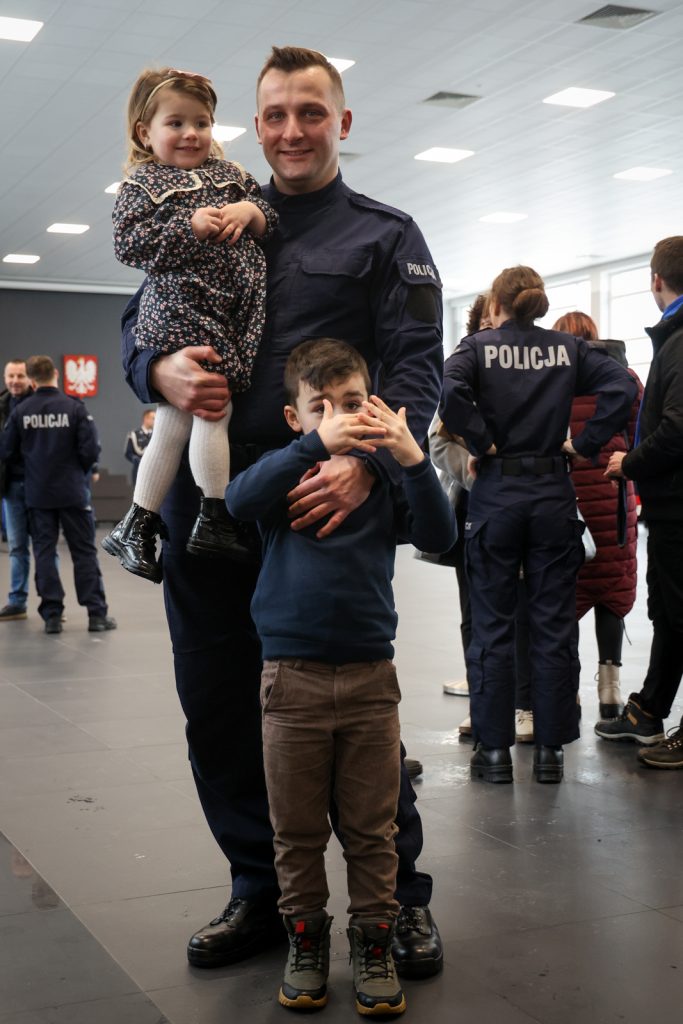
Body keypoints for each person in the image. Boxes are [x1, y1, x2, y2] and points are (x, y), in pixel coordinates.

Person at [120, 46, 445, 977]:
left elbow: (414, 366)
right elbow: (141, 316)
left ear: (341, 123)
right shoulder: (207, 208)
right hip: (211, 506)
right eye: (274, 115)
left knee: (353, 711)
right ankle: (259, 892)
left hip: (320, 507)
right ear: (254, 126)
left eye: (310, 112)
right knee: (218, 704)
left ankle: (398, 900)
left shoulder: (384, 235)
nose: (291, 130)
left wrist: (369, 468)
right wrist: (156, 370)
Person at [227, 339, 455, 1014]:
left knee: (372, 831)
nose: (338, 417)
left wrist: (411, 458)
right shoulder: (285, 470)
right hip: (290, 681)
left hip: (369, 681)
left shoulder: (381, 481)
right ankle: (305, 942)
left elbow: (440, 536)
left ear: (373, 405)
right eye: (320, 407)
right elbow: (238, 500)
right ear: (294, 417)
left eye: (352, 403)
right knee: (296, 832)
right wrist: (311, 448)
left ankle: (373, 944)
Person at [440, 265, 637, 784]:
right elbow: (622, 383)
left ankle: (494, 753)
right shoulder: (567, 350)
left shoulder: (477, 348)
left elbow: (449, 391)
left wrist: (481, 441)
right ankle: (550, 751)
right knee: (553, 626)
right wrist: (586, 442)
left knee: (492, 626)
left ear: (497, 305)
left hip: (497, 495)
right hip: (553, 494)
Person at [102, 66, 278, 582]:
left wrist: (249, 212)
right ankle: (214, 516)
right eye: (175, 123)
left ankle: (137, 523)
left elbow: (269, 215)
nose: (191, 134)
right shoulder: (143, 184)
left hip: (226, 311)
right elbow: (127, 243)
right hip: (184, 312)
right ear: (145, 132)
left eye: (201, 122)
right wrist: (188, 226)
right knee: (213, 407)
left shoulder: (232, 175)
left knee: (176, 419)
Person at [431, 294, 534, 743]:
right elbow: (438, 443)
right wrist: (476, 474)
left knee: (523, 611)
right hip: (472, 508)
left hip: (527, 508)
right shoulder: (461, 374)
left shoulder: (536, 370)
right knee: (474, 614)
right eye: (488, 325)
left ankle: (525, 705)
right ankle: (484, 704)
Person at [600, 236, 683, 769]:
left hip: (678, 505)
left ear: (656, 280)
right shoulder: (673, 337)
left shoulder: (680, 340)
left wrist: (628, 463)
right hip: (670, 507)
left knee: (678, 612)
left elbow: (677, 428)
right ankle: (649, 709)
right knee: (670, 612)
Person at [553, 312, 643, 724]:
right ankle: (610, 690)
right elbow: (639, 434)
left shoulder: (553, 379)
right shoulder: (624, 377)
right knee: (612, 587)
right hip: (614, 494)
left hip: (566, 497)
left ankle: (567, 690)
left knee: (566, 592)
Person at [0, 356, 116, 635]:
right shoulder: (74, 407)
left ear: (31, 379)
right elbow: (90, 450)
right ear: (55, 373)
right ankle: (96, 615)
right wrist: (77, 471)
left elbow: (6, 451)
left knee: (44, 552)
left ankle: (52, 616)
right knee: (84, 552)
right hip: (73, 491)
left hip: (38, 494)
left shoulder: (21, 411)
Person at [0, 360, 33, 621]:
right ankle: (17, 601)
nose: (15, 381)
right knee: (16, 546)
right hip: (10, 487)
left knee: (46, 547)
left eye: (20, 376)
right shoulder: (1, 406)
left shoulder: (41, 404)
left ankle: (52, 604)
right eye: (11, 376)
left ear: (30, 378)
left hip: (40, 486)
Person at [124, 408, 155, 485]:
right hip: (139, 469)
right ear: (146, 419)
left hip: (154, 470)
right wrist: (136, 460)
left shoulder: (157, 435)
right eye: (153, 418)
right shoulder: (134, 434)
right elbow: (128, 453)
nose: (155, 421)